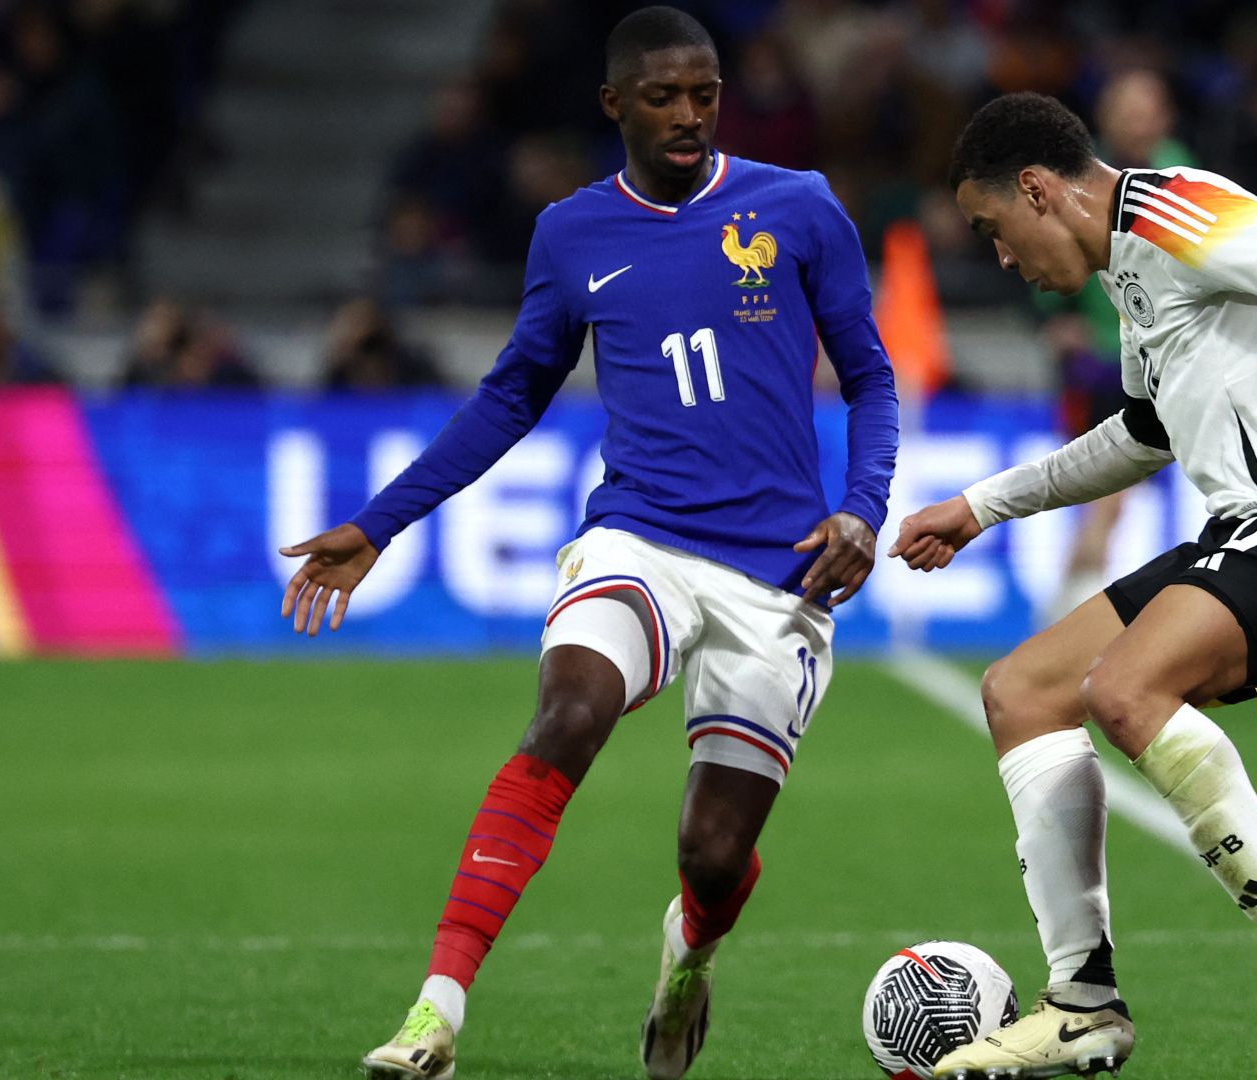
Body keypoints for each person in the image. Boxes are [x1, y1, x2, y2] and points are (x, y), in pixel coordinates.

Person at [276, 9, 898, 1079]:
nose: (690, 115)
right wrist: (380, 523)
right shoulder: (571, 233)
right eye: (664, 96)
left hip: (779, 570)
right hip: (640, 536)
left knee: (713, 856)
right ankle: (437, 1014)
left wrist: (865, 507)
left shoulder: (797, 208)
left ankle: (688, 958)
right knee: (567, 713)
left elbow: (874, 376)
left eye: (704, 93)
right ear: (615, 104)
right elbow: (512, 393)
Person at [893, 92, 1257, 1080]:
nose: (1001, 257)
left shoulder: (1177, 212)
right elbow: (1144, 435)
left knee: (1124, 689)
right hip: (1255, 529)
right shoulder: (1128, 271)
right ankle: (1082, 1003)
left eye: (995, 230)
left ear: (1037, 190)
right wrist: (982, 504)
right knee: (1022, 691)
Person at [1039, 69, 1196, 623]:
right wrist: (1058, 317)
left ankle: (1068, 610)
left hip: (1172, 360)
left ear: (1164, 116)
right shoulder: (1080, 176)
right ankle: (1072, 611)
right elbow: (1048, 248)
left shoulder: (1188, 178)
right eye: (1123, 106)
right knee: (1104, 498)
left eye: (1143, 107)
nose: (1134, 119)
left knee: (1109, 501)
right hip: (1103, 363)